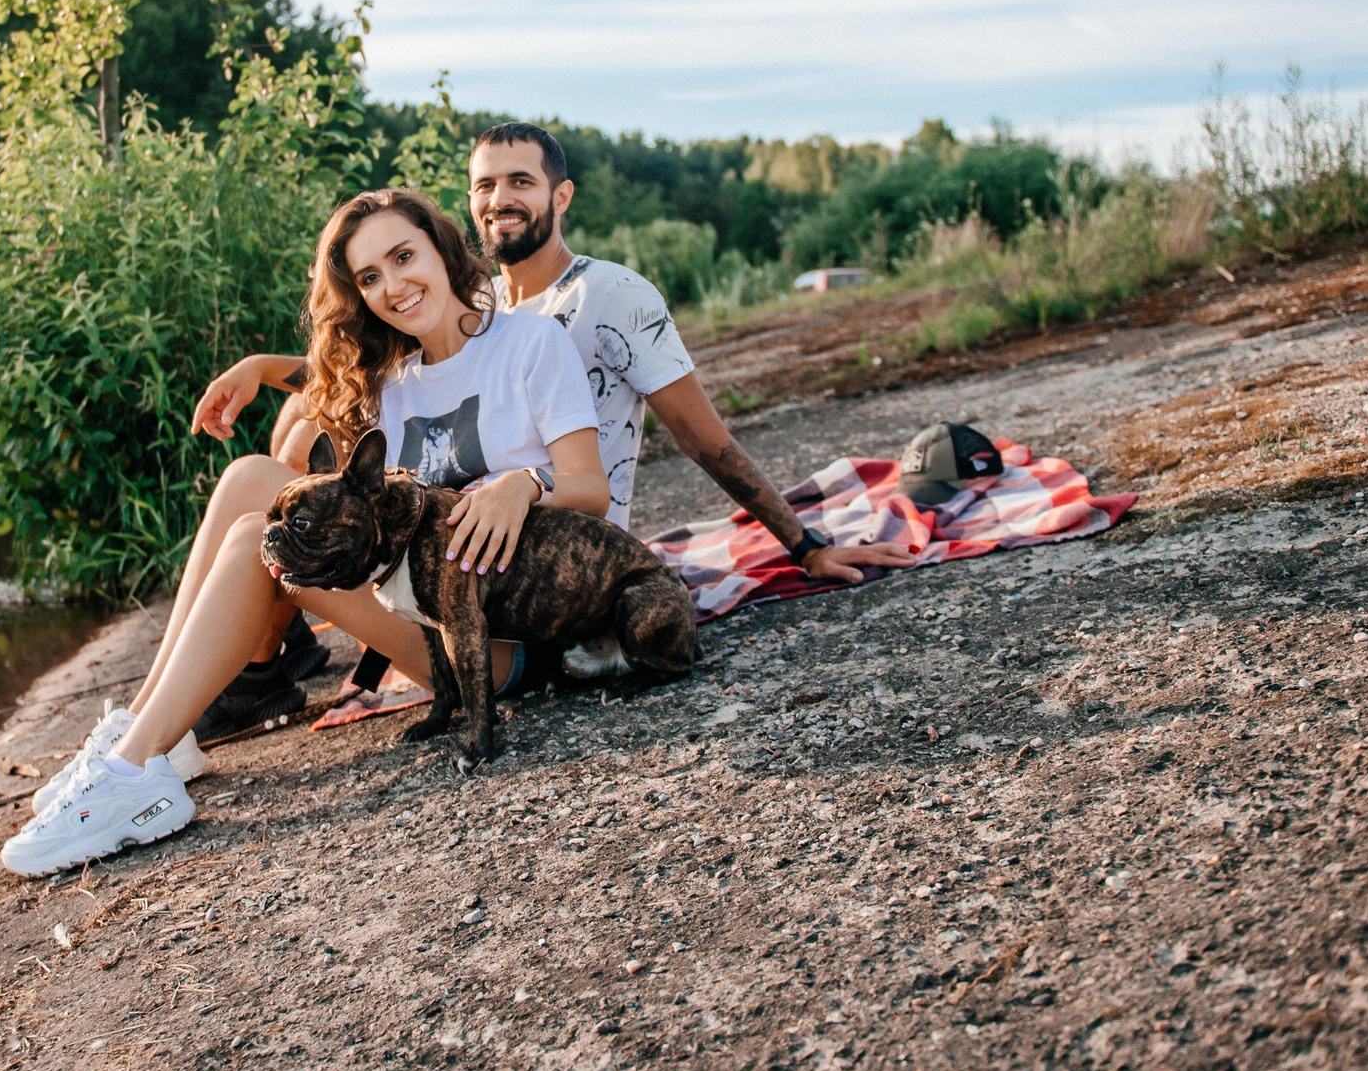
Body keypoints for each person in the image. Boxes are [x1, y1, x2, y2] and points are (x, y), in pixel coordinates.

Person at [189, 122, 917, 729]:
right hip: (460, 548)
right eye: (484, 186)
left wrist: (805, 545)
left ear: (560, 196)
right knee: (292, 430)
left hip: (551, 558)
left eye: (520, 183)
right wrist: (261, 366)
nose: (500, 199)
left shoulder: (608, 297)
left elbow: (703, 438)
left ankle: (248, 670)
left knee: (271, 476)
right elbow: (378, 363)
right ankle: (257, 664)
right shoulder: (482, 301)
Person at [0, 187, 610, 877]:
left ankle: (134, 770)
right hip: (425, 616)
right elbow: (319, 386)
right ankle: (144, 740)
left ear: (441, 248)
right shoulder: (395, 380)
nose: (393, 287)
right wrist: (258, 369)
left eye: (403, 257)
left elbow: (592, 489)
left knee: (250, 547)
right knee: (251, 480)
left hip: (502, 642)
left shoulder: (530, 342)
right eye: (369, 278)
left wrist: (525, 484)